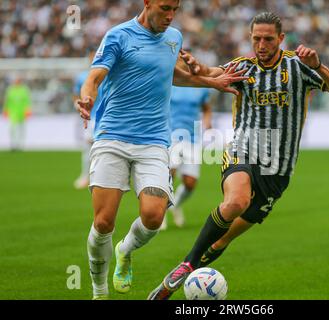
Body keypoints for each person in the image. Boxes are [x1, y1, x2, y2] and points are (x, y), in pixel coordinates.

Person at [148, 11, 329, 300]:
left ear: (281, 38)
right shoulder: (243, 67)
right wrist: (197, 67)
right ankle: (185, 267)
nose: (262, 44)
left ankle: (194, 268)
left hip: (278, 170)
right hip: (242, 150)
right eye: (256, 38)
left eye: (268, 39)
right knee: (235, 201)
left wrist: (318, 66)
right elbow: (211, 73)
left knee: (221, 241)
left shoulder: (298, 66)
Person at [76, 0, 248, 300]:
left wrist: (212, 82)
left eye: (175, 10)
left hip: (154, 140)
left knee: (154, 217)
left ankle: (125, 250)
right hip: (112, 138)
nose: (170, 16)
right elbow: (94, 77)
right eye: (164, 8)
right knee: (104, 222)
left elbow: (173, 74)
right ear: (147, 3)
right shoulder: (119, 36)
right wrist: (87, 98)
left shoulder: (174, 37)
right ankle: (99, 291)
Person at [160, 85, 212, 230]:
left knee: (190, 183)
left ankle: (175, 205)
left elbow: (206, 108)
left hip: (193, 138)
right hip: (171, 135)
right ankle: (161, 212)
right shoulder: (169, 81)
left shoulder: (200, 86)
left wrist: (207, 122)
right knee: (169, 175)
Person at [72, 50, 103, 189]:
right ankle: (86, 176)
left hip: (107, 117)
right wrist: (77, 105)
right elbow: (75, 95)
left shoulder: (107, 75)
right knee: (88, 147)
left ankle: (100, 177)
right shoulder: (82, 77)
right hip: (91, 118)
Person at [2, 77, 31, 151]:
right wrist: (5, 110)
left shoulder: (24, 90)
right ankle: (13, 144)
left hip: (22, 112)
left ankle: (21, 145)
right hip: (13, 112)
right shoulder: (10, 90)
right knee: (12, 128)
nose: (17, 82)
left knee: (22, 128)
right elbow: (7, 101)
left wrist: (28, 110)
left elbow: (27, 101)